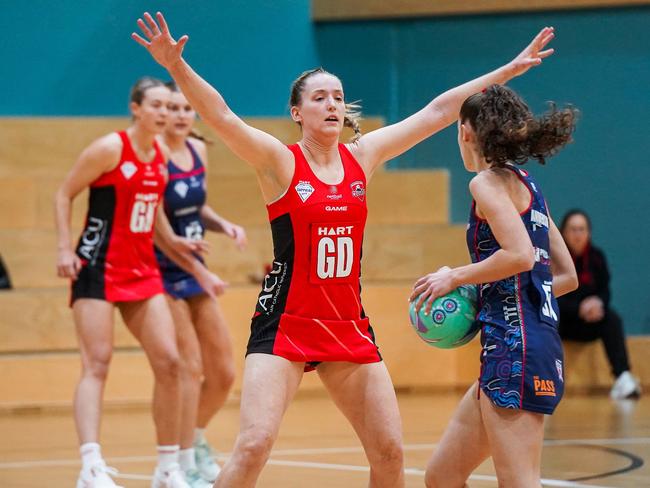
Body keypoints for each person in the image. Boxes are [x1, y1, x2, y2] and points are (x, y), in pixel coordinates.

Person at [133, 12, 556, 487]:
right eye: (319, 98)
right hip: (286, 323)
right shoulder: (279, 161)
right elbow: (222, 115)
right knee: (253, 446)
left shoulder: (363, 156)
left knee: (390, 454)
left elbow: (439, 111)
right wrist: (177, 67)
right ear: (298, 113)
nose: (331, 104)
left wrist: (506, 71)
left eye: (337, 97)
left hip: (345, 324)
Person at [55, 77, 225, 488]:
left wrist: (178, 247)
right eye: (157, 106)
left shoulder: (161, 154)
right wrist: (64, 249)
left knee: (170, 364)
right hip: (97, 265)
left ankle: (168, 468)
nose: (165, 114)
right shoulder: (110, 148)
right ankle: (91, 465)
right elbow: (64, 194)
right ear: (136, 108)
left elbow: (153, 219)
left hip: (142, 269)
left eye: (170, 107)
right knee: (97, 363)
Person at [410, 85, 579, 487]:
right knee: (443, 476)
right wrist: (502, 297)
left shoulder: (485, 184)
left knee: (518, 481)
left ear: (466, 132)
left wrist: (456, 277)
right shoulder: (528, 185)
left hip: (515, 353)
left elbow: (520, 255)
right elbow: (567, 276)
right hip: (515, 346)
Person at [157, 82, 247, 486]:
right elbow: (159, 225)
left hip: (194, 266)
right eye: (172, 108)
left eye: (186, 108)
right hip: (162, 269)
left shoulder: (197, 150)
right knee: (189, 369)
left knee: (224, 372)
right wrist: (196, 267)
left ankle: (193, 440)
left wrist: (222, 223)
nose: (179, 115)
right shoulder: (154, 155)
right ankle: (179, 461)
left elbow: (196, 203)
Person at [558, 209, 641, 399]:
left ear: (589, 233)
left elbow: (605, 290)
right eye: (573, 229)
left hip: (589, 322)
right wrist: (578, 308)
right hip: (563, 321)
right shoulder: (555, 258)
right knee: (546, 319)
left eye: (582, 229)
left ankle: (623, 377)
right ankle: (545, 377)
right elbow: (549, 294)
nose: (578, 235)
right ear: (563, 232)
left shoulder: (596, 257)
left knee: (612, 319)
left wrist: (598, 303)